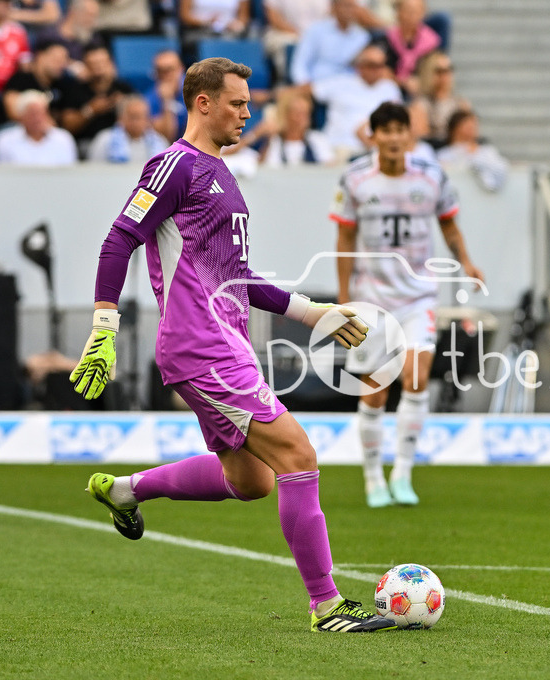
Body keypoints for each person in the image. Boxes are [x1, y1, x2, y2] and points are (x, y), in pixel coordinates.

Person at [70, 56, 394, 633]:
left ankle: (126, 491)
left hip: (227, 344)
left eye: (248, 103)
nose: (248, 113)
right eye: (238, 102)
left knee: (253, 481)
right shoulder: (173, 166)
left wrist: (310, 311)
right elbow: (119, 238)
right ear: (203, 103)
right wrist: (104, 327)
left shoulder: (221, 172)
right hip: (201, 346)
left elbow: (238, 275)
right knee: (298, 456)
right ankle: (327, 605)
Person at [331, 101, 483, 508]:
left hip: (418, 296)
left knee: (416, 378)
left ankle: (402, 472)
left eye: (401, 130)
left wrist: (466, 262)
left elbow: (449, 223)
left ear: (409, 136)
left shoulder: (432, 176)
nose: (395, 138)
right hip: (372, 299)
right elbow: (344, 238)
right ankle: (371, 479)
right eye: (387, 130)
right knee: (375, 393)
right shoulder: (356, 178)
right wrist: (344, 299)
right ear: (374, 136)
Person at [301, 43, 401, 160]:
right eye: (372, 65)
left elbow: (398, 121)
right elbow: (305, 90)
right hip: (340, 148)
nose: (377, 70)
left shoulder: (390, 88)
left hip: (375, 151)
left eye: (381, 65)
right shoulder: (341, 82)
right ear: (360, 66)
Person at [60, 44, 134, 155]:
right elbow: (67, 125)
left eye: (101, 63)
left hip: (120, 143)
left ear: (110, 62)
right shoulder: (75, 90)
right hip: (85, 144)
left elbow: (141, 119)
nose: (98, 68)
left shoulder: (123, 89)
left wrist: (124, 108)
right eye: (93, 64)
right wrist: (90, 110)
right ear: (86, 66)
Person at [289, 0, 369, 86]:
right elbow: (300, 64)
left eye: (353, 6)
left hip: (348, 86)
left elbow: (360, 68)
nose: (349, 10)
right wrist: (305, 84)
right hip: (317, 84)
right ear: (334, 7)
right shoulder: (316, 30)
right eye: (346, 6)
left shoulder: (362, 36)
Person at [0, 37, 72, 126]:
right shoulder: (21, 78)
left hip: (46, 134)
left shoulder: (60, 85)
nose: (61, 64)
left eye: (64, 60)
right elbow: (12, 111)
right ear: (40, 56)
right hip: (15, 129)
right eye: (56, 59)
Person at [0, 89, 78, 164]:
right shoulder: (5, 140)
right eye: (33, 114)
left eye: (41, 113)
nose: (38, 118)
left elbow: (70, 174)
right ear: (21, 116)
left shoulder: (64, 139)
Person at [255, 89, 335, 167]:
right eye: (298, 114)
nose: (303, 119)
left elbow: (329, 168)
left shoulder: (317, 139)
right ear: (285, 115)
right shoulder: (274, 142)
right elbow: (265, 169)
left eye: (306, 113)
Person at [437, 109, 508, 192]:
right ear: (455, 128)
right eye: (467, 125)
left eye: (474, 124)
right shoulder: (444, 154)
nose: (472, 127)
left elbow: (500, 169)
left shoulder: (487, 151)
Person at [379, 0, 439, 97]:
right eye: (407, 11)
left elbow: (433, 71)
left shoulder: (431, 42)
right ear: (398, 13)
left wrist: (421, 83)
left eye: (415, 11)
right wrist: (402, 82)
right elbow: (380, 70)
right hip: (390, 91)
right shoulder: (387, 39)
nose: (411, 16)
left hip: (420, 93)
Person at [408, 50, 467, 146]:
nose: (444, 76)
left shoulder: (460, 103)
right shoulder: (420, 105)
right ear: (429, 72)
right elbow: (422, 137)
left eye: (448, 70)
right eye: (439, 71)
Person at [86, 94, 168, 162]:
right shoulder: (104, 140)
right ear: (120, 118)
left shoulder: (160, 142)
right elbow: (94, 172)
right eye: (133, 117)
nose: (138, 122)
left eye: (142, 117)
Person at [261, 0, 330, 82]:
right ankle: (286, 82)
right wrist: (299, 34)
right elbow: (273, 16)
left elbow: (332, 14)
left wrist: (314, 36)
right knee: (288, 44)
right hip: (285, 33)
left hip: (319, 35)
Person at [146, 49, 187, 142]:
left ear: (181, 68)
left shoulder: (197, 89)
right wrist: (167, 101)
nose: (166, 75)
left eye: (170, 70)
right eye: (161, 71)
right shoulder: (150, 99)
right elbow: (167, 138)